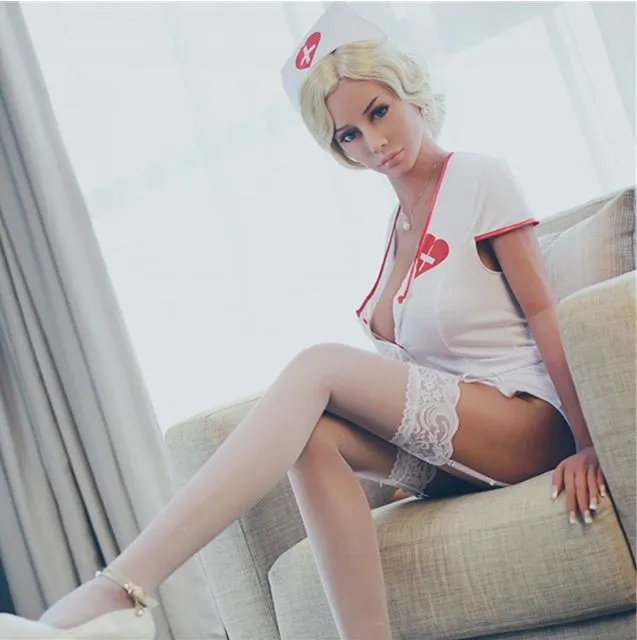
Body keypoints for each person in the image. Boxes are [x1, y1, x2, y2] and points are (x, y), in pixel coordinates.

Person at [0, 4, 606, 640]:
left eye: (379, 112)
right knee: (312, 440)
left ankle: (120, 588)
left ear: (408, 90)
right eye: (349, 135)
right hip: (463, 438)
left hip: (527, 421)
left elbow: (544, 311)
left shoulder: (479, 178)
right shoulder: (398, 227)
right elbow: (423, 369)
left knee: (320, 366)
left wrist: (590, 441)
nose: (373, 143)